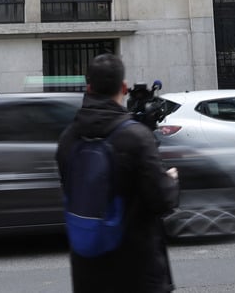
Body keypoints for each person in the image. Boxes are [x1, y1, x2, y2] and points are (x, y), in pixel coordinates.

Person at [56, 54, 180, 293]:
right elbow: (162, 200)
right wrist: (171, 181)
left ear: (88, 88)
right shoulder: (137, 137)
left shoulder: (68, 139)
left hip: (87, 271)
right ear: (123, 88)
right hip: (137, 271)